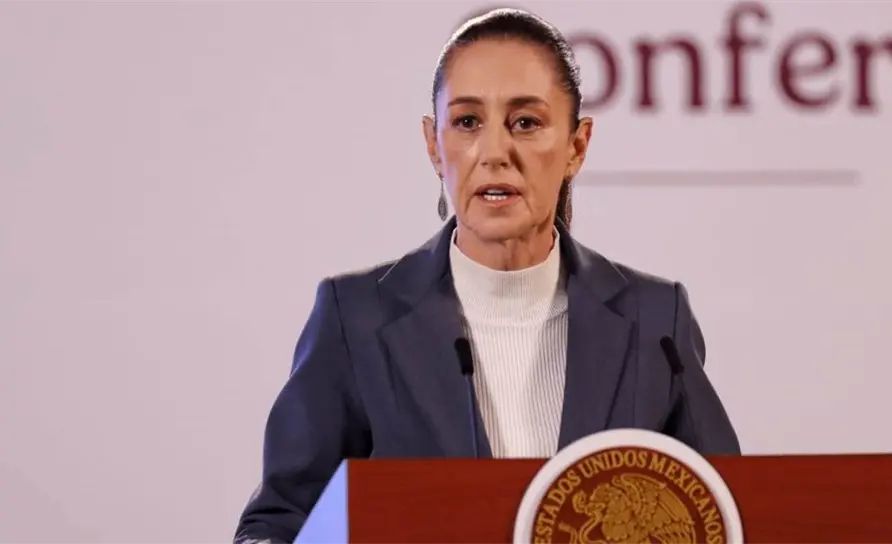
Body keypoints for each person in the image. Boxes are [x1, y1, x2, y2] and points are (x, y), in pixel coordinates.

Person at [233, 8, 740, 544]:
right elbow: (280, 523)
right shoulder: (356, 318)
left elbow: (728, 509)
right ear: (434, 145)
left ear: (577, 146)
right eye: (468, 122)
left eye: (526, 123)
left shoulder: (654, 322)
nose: (495, 153)